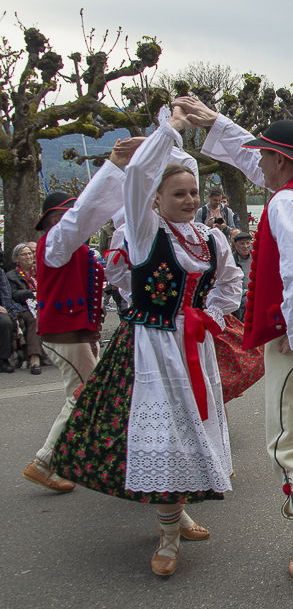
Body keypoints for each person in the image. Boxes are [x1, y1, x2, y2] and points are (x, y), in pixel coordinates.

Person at [49, 106, 242, 576]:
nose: (190, 200)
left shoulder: (209, 238)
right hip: (151, 346)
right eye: (179, 193)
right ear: (155, 199)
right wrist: (169, 129)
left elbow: (230, 282)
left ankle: (175, 515)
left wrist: (210, 317)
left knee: (189, 433)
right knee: (164, 437)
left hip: (192, 346)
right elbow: (136, 175)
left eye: (193, 192)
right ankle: (169, 534)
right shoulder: (143, 230)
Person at [179, 95, 293, 580]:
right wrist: (217, 123)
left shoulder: (286, 202)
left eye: (264, 155)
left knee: (287, 441)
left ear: (280, 159)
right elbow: (264, 163)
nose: (257, 163)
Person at [20, 138, 142, 494]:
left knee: (92, 395)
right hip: (64, 332)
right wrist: (115, 167)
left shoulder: (70, 244)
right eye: (67, 213)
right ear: (52, 219)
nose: (75, 216)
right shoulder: (55, 242)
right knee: (85, 396)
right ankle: (44, 461)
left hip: (77, 330)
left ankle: (90, 456)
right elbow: (87, 212)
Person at [6, 243, 44, 374]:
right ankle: (35, 359)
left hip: (43, 304)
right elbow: (13, 294)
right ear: (16, 258)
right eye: (24, 254)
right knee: (34, 319)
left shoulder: (40, 271)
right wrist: (31, 293)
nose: (28, 256)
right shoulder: (11, 275)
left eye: (29, 253)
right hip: (24, 307)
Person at [231, 231, 253, 321]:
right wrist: (246, 292)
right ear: (236, 245)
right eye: (242, 243)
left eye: (247, 243)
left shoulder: (256, 257)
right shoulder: (231, 260)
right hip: (240, 294)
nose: (245, 246)